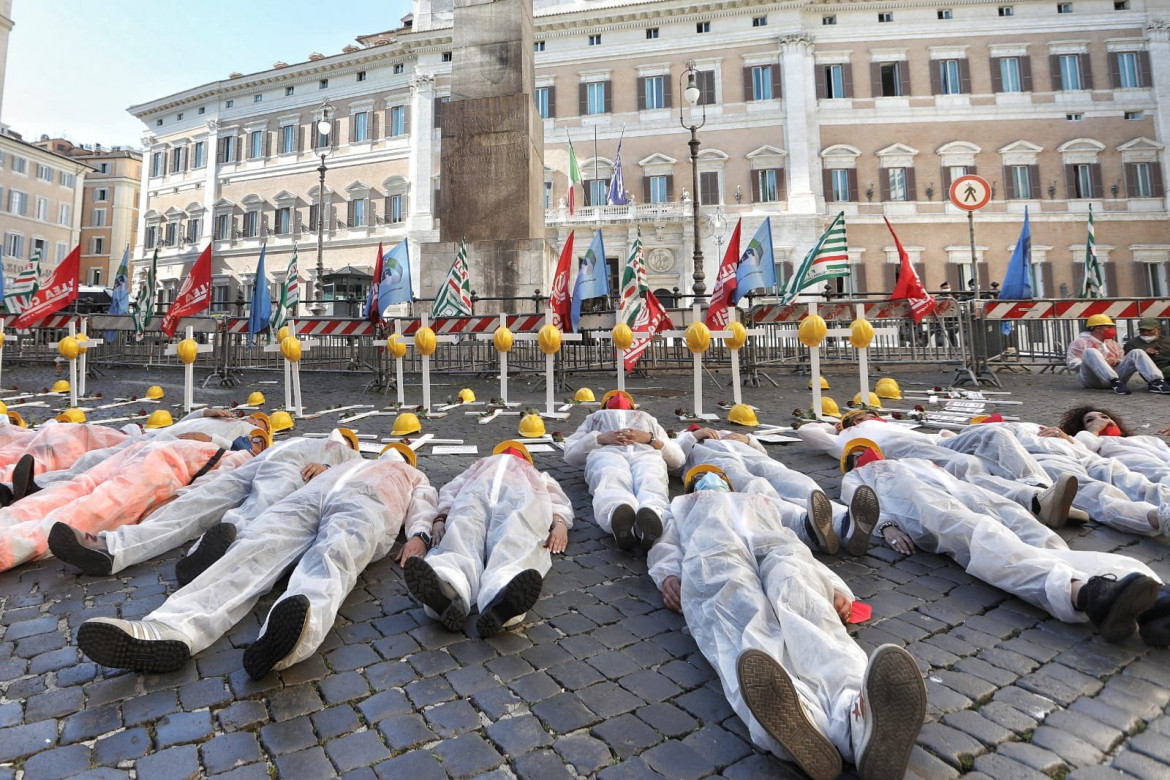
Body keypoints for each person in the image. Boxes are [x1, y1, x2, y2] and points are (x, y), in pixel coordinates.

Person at [648, 465, 927, 780]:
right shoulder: (681, 507)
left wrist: (833, 586)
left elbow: (799, 534)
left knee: (803, 596)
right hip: (715, 554)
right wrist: (667, 575)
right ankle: (801, 721)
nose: (707, 480)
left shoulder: (759, 500)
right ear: (689, 488)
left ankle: (858, 712)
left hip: (778, 550)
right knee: (740, 612)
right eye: (699, 478)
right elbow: (664, 545)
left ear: (728, 483)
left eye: (714, 476)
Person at [76, 443, 437, 678]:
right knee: (252, 548)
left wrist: (420, 535)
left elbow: (424, 504)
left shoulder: (414, 475)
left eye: (399, 452)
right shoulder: (350, 461)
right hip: (311, 498)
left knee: (333, 556)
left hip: (371, 505)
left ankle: (287, 637)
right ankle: (170, 627)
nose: (393, 454)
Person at [839, 440, 1163, 644]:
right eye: (855, 454)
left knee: (1038, 536)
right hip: (923, 508)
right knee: (986, 541)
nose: (861, 455)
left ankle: (1140, 594)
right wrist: (888, 527)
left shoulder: (917, 462)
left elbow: (966, 474)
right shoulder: (856, 476)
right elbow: (860, 502)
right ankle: (1082, 595)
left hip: (969, 493)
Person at [49, 431, 363, 583]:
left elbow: (350, 484)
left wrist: (326, 467)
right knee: (199, 502)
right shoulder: (293, 438)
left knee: (256, 509)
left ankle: (211, 558)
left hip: (298, 470)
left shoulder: (352, 459)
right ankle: (114, 548)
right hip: (262, 462)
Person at [0, 433, 263, 572]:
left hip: (150, 455)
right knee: (89, 511)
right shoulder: (241, 460)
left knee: (75, 491)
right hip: (162, 469)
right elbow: (206, 492)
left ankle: (9, 518)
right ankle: (10, 545)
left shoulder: (231, 452)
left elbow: (205, 485)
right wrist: (159, 508)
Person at [401, 441, 572, 638]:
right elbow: (452, 489)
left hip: (520, 499)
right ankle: (447, 587)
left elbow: (558, 499)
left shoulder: (539, 476)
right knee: (462, 529)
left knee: (516, 535)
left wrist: (560, 523)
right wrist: (441, 517)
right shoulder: (480, 466)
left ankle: (502, 592)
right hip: (475, 496)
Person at [676, 426, 879, 555]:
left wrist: (747, 440)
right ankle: (806, 526)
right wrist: (694, 436)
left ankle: (844, 522)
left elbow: (762, 451)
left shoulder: (728, 435)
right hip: (718, 462)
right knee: (755, 486)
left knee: (797, 481)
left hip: (754, 457)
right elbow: (674, 460)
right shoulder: (688, 440)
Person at [562, 390, 683, 550]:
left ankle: (654, 513)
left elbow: (677, 457)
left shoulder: (648, 419)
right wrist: (599, 438)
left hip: (645, 453)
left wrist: (650, 439)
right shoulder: (594, 419)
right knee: (611, 474)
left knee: (650, 475)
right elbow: (570, 452)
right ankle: (618, 513)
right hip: (607, 452)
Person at [1066, 313, 1170, 394]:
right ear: (1097, 328)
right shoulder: (1080, 342)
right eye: (1108, 327)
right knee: (1091, 352)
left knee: (1137, 352)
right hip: (1092, 379)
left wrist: (1117, 361)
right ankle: (1114, 381)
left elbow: (1124, 360)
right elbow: (1071, 363)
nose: (1112, 330)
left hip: (1119, 380)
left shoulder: (1113, 344)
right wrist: (1098, 362)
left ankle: (1157, 382)